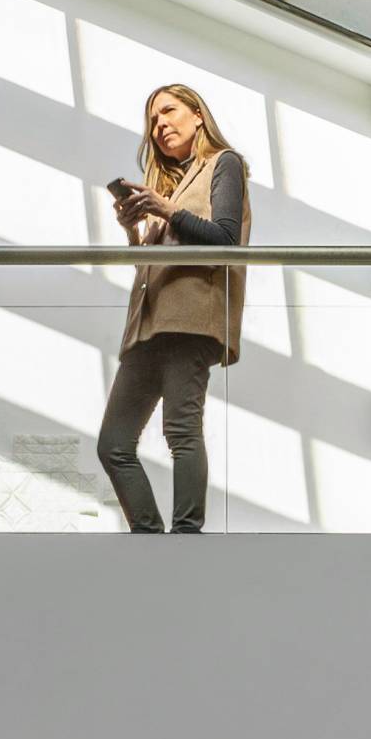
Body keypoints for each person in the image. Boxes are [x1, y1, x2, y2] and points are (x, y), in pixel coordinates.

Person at [99, 82, 251, 533]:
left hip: (191, 320)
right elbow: (146, 268)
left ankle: (187, 537)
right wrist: (133, 231)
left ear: (197, 114)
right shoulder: (174, 184)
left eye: (168, 112)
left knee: (181, 430)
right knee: (114, 444)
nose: (160, 125)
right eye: (153, 121)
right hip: (147, 327)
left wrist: (165, 210)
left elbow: (225, 240)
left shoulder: (224, 164)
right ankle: (150, 539)